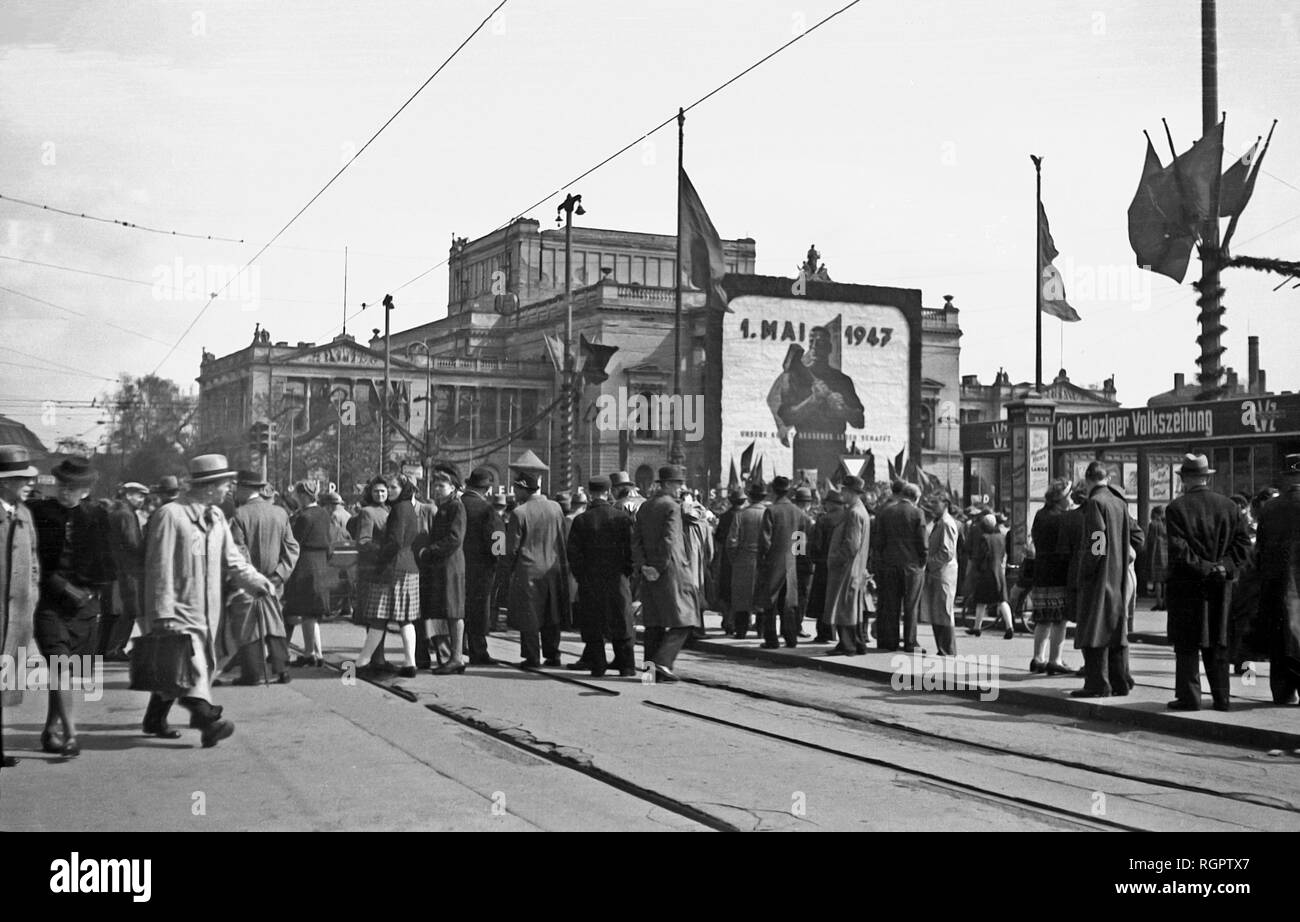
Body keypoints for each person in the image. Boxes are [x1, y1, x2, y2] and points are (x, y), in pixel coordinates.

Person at [142, 455, 273, 747]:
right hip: (177, 610)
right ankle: (207, 721)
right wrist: (161, 611)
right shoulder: (170, 515)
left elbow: (234, 561)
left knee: (175, 666)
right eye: (226, 483)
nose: (230, 488)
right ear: (210, 486)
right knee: (191, 667)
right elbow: (158, 567)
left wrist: (257, 583)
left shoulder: (215, 519)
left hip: (208, 611)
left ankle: (154, 718)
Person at [29, 456, 114, 758]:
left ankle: (50, 730)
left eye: (72, 487)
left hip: (84, 609)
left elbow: (108, 563)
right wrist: (61, 586)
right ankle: (71, 735)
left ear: (85, 491)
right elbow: (31, 561)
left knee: (67, 672)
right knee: (60, 667)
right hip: (49, 604)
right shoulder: (37, 513)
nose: (65, 491)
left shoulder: (97, 517)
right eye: (62, 485)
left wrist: (94, 594)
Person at [1164, 454, 1250, 711]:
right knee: (1219, 641)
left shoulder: (1176, 508)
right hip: (1221, 586)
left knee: (1187, 644)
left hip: (1188, 587)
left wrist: (1204, 568)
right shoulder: (1229, 507)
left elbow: (1179, 550)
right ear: (1206, 477)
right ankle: (1222, 698)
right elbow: (1243, 545)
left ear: (1185, 479)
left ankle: (1189, 697)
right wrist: (1223, 567)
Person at [1071, 461, 1144, 699]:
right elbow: (1135, 535)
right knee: (1115, 629)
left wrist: (1086, 569)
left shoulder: (1095, 503)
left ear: (1088, 479)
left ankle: (1097, 683)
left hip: (1100, 577)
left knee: (1094, 629)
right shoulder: (1118, 502)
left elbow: (1097, 540)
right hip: (1119, 574)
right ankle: (1120, 681)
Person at [223, 470, 299, 685]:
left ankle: (252, 673)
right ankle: (282, 669)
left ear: (245, 489)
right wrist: (280, 574)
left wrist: (252, 578)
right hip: (275, 580)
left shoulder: (239, 515)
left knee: (249, 625)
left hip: (250, 582)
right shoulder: (280, 513)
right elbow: (292, 548)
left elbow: (239, 551)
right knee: (275, 622)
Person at [632, 465, 700, 681]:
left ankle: (650, 672)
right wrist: (658, 567)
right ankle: (663, 662)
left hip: (649, 573)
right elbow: (669, 540)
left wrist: (644, 566)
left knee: (654, 622)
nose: (681, 487)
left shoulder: (646, 506)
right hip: (670, 572)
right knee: (687, 617)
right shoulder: (672, 507)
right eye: (678, 483)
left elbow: (636, 540)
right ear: (668, 484)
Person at [355, 474, 423, 678]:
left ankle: (361, 662)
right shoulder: (409, 508)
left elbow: (394, 541)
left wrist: (380, 558)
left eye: (394, 487)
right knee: (405, 619)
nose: (390, 491)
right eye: (389, 487)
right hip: (408, 566)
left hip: (393, 568)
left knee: (379, 617)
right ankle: (410, 663)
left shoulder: (398, 510)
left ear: (403, 489)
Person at [567, 476, 636, 676]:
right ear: (609, 492)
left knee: (593, 622)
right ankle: (626, 666)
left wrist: (582, 576)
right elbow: (630, 550)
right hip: (617, 579)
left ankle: (598, 665)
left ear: (590, 493)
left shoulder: (582, 520)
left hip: (591, 580)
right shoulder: (622, 518)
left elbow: (573, 554)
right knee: (621, 621)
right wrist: (626, 573)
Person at [0, 446, 39, 770]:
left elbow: (34, 559)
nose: (29, 482)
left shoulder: (24, 513)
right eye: (21, 478)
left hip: (17, 615)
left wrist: (33, 592)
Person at [506, 469, 569, 667]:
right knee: (551, 612)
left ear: (523, 489)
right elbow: (561, 536)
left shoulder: (519, 513)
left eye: (516, 488)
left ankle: (532, 656)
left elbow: (511, 549)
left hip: (528, 570)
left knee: (530, 613)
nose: (514, 493)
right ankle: (553, 654)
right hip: (553, 567)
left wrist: (505, 572)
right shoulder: (556, 508)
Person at [1254, 454, 1300, 705]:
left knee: (1280, 640)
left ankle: (1283, 692)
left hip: (1278, 586)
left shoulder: (1270, 508)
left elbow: (1259, 551)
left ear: (1287, 477)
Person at [871, 481, 927, 652]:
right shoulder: (917, 513)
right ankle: (910, 642)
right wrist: (922, 562)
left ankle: (889, 641)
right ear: (915, 497)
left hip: (889, 565)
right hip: (911, 567)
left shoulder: (885, 512)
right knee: (911, 605)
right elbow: (922, 542)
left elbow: (878, 542)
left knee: (890, 604)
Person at [420, 470, 466, 674]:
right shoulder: (445, 507)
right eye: (436, 485)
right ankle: (448, 656)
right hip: (443, 565)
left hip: (450, 565)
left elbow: (455, 538)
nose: (437, 489)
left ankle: (455, 657)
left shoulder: (455, 507)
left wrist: (430, 551)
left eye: (442, 485)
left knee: (453, 611)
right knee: (444, 611)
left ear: (453, 488)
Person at [282, 482, 334, 667]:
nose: (295, 497)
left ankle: (309, 653)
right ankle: (317, 654)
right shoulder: (323, 514)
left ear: (303, 495)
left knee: (306, 611)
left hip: (304, 564)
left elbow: (294, 542)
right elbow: (330, 542)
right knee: (313, 612)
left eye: (296, 494)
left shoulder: (303, 517)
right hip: (320, 563)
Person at [1028, 480, 1075, 675]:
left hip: (1041, 573)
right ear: (1060, 499)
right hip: (1058, 573)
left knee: (1043, 619)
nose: (1071, 500)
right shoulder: (1063, 518)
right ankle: (1055, 659)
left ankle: (1038, 658)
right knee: (1059, 619)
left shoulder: (1040, 515)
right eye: (1068, 496)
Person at [823, 476, 872, 656]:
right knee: (852, 607)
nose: (842, 492)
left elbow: (851, 544)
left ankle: (848, 644)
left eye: (844, 490)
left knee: (845, 607)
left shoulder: (853, 513)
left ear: (851, 493)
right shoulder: (860, 511)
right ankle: (856, 643)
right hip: (856, 567)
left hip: (847, 567)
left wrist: (834, 558)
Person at [347, 477, 392, 669]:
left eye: (383, 491)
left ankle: (378, 656)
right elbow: (364, 541)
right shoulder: (367, 512)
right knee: (374, 615)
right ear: (370, 493)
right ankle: (376, 658)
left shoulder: (389, 510)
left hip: (384, 568)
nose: (380, 495)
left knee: (380, 615)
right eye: (376, 492)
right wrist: (383, 550)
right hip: (372, 569)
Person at [460, 467, 503, 666]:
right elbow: (498, 540)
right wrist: (497, 561)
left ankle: (458, 647)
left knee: (459, 607)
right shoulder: (488, 509)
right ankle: (478, 650)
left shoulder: (456, 504)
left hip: (457, 566)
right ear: (486, 489)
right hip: (481, 568)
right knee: (478, 610)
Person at [103, 481, 150, 660]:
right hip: (129, 568)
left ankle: (112, 647)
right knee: (130, 609)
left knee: (126, 609)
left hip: (121, 566)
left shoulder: (118, 512)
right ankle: (115, 648)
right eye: (139, 495)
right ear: (128, 495)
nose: (142, 500)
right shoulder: (126, 515)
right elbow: (132, 542)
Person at [758, 476, 803, 648]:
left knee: (771, 601)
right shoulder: (798, 512)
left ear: (774, 490)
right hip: (791, 562)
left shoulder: (771, 511)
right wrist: (795, 558)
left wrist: (763, 560)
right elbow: (801, 540)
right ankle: (791, 637)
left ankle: (771, 639)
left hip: (773, 561)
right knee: (789, 602)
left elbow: (765, 541)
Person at [726, 480, 768, 639]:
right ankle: (761, 631)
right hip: (763, 561)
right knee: (762, 598)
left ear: (750, 497)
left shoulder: (740, 515)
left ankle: (741, 631)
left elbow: (731, 542)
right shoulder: (768, 513)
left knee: (742, 598)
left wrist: (735, 560)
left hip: (743, 560)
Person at [920, 496, 959, 656]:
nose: (932, 505)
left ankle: (947, 650)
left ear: (946, 504)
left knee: (944, 611)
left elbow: (946, 552)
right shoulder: (940, 522)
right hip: (938, 573)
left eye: (936, 502)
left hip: (943, 573)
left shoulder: (946, 523)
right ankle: (943, 649)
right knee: (938, 611)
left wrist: (929, 563)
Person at [967, 514, 1014, 639]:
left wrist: (976, 569)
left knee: (981, 601)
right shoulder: (1001, 537)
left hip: (987, 572)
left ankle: (977, 627)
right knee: (1002, 600)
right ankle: (1010, 626)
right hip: (999, 571)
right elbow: (1004, 554)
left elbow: (982, 556)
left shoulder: (984, 538)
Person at [808, 489, 846, 643]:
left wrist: (815, 560)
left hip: (824, 564)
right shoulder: (848, 517)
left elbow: (816, 545)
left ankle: (824, 633)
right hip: (843, 564)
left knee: (823, 599)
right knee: (839, 599)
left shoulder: (823, 520)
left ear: (830, 504)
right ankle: (839, 633)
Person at [711, 487, 746, 635]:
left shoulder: (725, 517)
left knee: (726, 590)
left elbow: (718, 537)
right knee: (740, 591)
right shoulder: (746, 515)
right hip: (742, 557)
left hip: (726, 558)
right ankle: (740, 622)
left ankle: (728, 620)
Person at [681, 491, 714, 640]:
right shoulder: (704, 521)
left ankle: (687, 630)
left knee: (685, 596)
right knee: (699, 594)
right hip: (699, 564)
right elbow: (710, 549)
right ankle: (699, 629)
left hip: (683, 564)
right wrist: (707, 562)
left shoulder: (680, 520)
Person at [792, 485, 816, 639]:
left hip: (790, 561)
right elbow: (799, 545)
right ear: (807, 503)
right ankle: (797, 625)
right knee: (801, 596)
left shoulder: (793, 515)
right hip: (802, 563)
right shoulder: (804, 519)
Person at [1147, 505, 1169, 611]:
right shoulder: (1166, 525)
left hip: (1156, 554)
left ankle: (1159, 603)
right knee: (1165, 580)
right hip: (1166, 554)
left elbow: (1150, 540)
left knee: (1157, 580)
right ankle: (1165, 603)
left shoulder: (1153, 524)